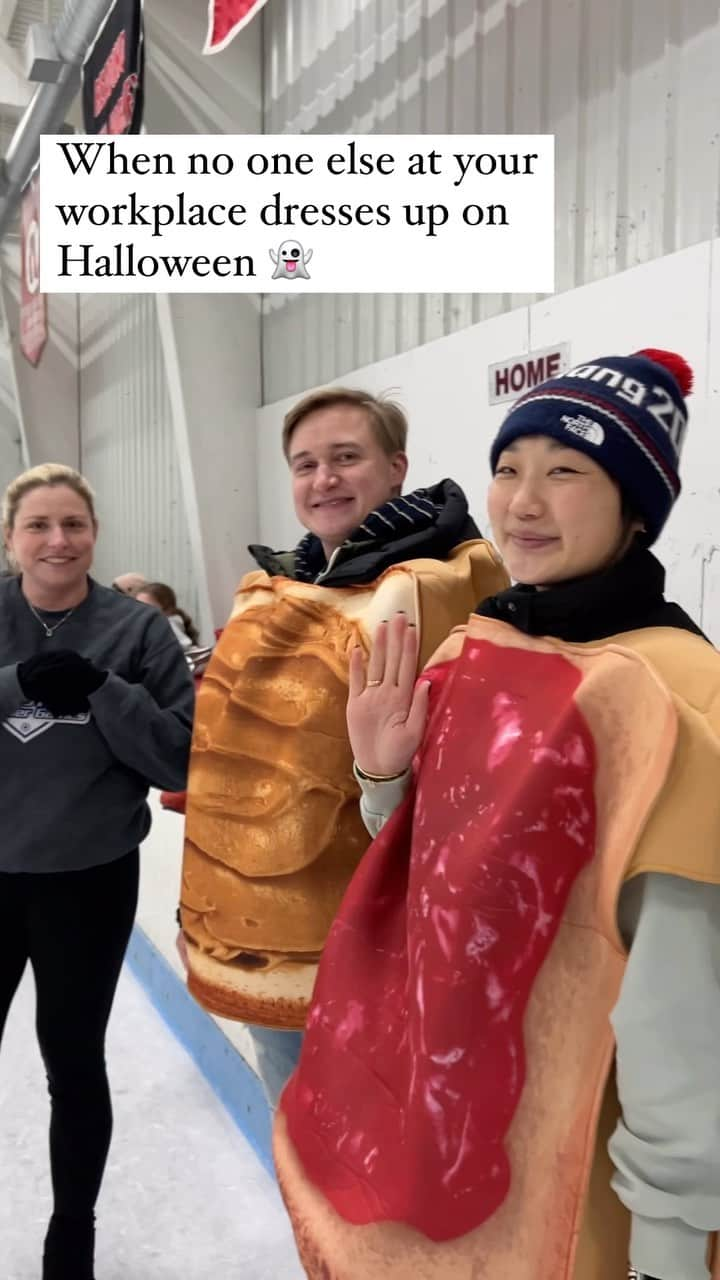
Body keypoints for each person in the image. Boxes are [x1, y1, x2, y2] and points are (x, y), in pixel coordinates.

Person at [274, 350, 720, 1280]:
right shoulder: (479, 646)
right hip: (445, 1145)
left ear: (637, 508)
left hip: (578, 1189)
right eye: (510, 468)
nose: (523, 502)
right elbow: (434, 871)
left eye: (566, 472)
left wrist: (669, 1252)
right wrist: (381, 773)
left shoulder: (677, 693)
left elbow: (680, 1013)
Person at [180, 386, 508, 1107]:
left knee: (382, 1149)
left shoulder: (443, 585)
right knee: (296, 1132)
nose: (323, 480)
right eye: (305, 464)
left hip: (387, 940)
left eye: (345, 458)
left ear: (396, 468)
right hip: (273, 941)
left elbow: (480, 778)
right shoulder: (272, 590)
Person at [0, 464, 194, 1280]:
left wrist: (103, 689)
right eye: (38, 524)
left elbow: (176, 753)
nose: (57, 540)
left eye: (73, 523)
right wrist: (15, 684)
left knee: (72, 1058)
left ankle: (70, 1232)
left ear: (94, 533)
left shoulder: (137, 632)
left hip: (88, 878)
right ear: (11, 539)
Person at [135, 580, 201, 650]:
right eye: (138, 606)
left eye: (148, 607)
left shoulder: (169, 625)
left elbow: (185, 647)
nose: (142, 612)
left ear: (168, 609)